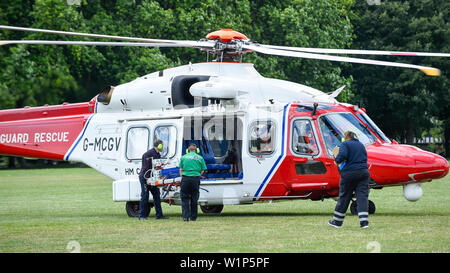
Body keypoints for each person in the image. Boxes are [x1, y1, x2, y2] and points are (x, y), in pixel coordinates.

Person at [328, 131, 370, 229]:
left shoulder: (345, 144)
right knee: (362, 197)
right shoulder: (361, 145)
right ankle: (364, 223)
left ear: (346, 137)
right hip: (364, 173)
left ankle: (337, 222)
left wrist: (336, 160)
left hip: (349, 174)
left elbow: (342, 156)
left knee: (344, 196)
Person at [138, 140, 168, 220]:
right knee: (145, 196)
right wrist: (147, 178)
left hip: (153, 178)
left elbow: (156, 166)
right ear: (159, 146)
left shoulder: (158, 154)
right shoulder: (148, 154)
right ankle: (142, 216)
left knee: (157, 196)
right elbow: (146, 168)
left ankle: (159, 215)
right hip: (145, 178)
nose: (163, 147)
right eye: (162, 145)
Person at [179, 143, 207, 221]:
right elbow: (203, 170)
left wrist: (183, 177)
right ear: (196, 150)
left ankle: (185, 217)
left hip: (185, 179)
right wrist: (197, 175)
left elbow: (181, 169)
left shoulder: (183, 157)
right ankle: (193, 217)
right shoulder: (200, 158)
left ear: (188, 150)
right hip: (195, 179)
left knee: (184, 198)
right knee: (194, 198)